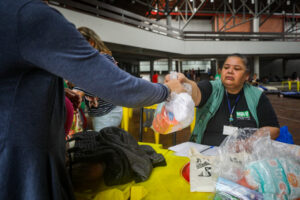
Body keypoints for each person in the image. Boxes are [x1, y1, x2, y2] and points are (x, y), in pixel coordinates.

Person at [0, 1, 185, 199]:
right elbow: (118, 86)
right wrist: (166, 90)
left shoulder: (14, 14)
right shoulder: (28, 14)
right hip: (22, 167)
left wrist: (58, 93)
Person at [166, 54, 280, 146]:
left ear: (246, 76)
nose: (230, 71)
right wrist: (186, 84)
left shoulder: (257, 96)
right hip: (206, 154)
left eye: (236, 68)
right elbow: (197, 93)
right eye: (226, 67)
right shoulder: (212, 88)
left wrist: (248, 143)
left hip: (243, 158)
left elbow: (273, 128)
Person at [73, 27, 123, 132]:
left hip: (108, 112)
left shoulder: (104, 58)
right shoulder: (91, 61)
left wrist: (78, 91)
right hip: (101, 112)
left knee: (103, 142)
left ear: (91, 42)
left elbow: (97, 81)